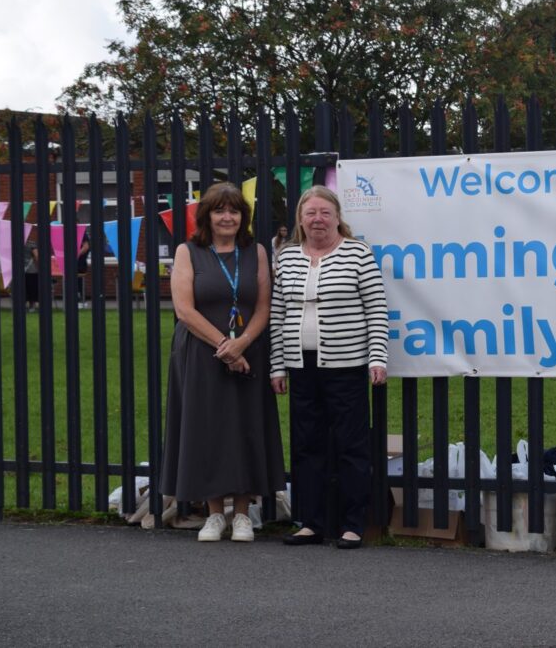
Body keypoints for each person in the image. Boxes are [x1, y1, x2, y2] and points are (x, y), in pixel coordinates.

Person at [160, 181, 287, 542]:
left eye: (234, 210)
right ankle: (215, 514)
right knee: (208, 429)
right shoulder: (188, 251)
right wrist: (224, 347)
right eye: (220, 210)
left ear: (243, 216)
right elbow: (184, 309)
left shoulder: (256, 252)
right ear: (207, 216)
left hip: (249, 350)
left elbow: (264, 305)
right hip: (201, 352)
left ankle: (244, 514)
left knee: (246, 427)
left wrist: (242, 344)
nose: (227, 217)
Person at [270, 185, 389, 548]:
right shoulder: (286, 257)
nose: (318, 219)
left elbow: (376, 309)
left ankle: (353, 524)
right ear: (300, 220)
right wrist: (277, 364)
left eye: (325, 213)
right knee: (307, 445)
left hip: (347, 364)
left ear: (338, 218)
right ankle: (311, 521)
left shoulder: (357, 254)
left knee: (352, 446)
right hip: (300, 366)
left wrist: (377, 356)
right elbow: (278, 313)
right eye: (311, 213)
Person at [24, 235, 39, 312]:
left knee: (24, 289)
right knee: (32, 289)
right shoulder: (32, 244)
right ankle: (31, 306)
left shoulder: (14, 243)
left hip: (20, 271)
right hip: (31, 270)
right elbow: (36, 256)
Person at [77, 230, 90, 308]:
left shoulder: (82, 234)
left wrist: (76, 255)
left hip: (80, 263)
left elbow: (86, 247)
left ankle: (81, 300)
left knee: (79, 281)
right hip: (74, 262)